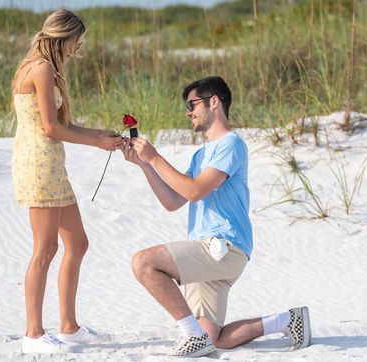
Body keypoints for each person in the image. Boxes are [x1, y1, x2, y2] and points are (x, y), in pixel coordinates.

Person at [121, 76, 311, 357]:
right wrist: (145, 165)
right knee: (214, 338)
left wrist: (155, 157)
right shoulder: (201, 154)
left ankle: (190, 335)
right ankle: (288, 320)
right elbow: (174, 200)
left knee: (144, 263)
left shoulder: (231, 144)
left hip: (222, 247)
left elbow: (196, 191)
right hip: (209, 255)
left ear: (214, 102)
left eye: (191, 104)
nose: (188, 112)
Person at [11, 9, 122, 353]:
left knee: (78, 244)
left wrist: (100, 133)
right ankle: (33, 335)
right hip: (39, 165)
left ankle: (69, 327)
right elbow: (51, 128)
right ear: (65, 37)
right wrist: (96, 141)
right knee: (45, 250)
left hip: (52, 164)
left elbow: (58, 126)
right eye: (78, 41)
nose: (79, 47)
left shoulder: (45, 66)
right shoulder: (42, 68)